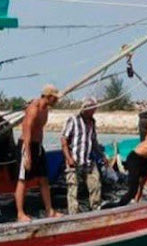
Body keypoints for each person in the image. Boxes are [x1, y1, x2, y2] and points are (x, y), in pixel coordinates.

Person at [16, 84, 62, 222]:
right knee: (23, 180)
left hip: (38, 146)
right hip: (27, 145)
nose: (57, 101)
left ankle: (49, 210)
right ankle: (20, 213)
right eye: (55, 98)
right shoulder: (33, 109)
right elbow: (27, 131)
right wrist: (27, 154)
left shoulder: (45, 110)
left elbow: (40, 130)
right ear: (48, 96)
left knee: (44, 178)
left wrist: (40, 148)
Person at [61, 97, 109, 213]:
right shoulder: (73, 120)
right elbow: (64, 140)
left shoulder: (92, 122)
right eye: (91, 109)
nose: (93, 112)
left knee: (95, 184)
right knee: (73, 188)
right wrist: (69, 158)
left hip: (87, 161)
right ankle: (73, 212)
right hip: (75, 160)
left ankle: (96, 207)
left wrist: (102, 156)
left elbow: (93, 141)